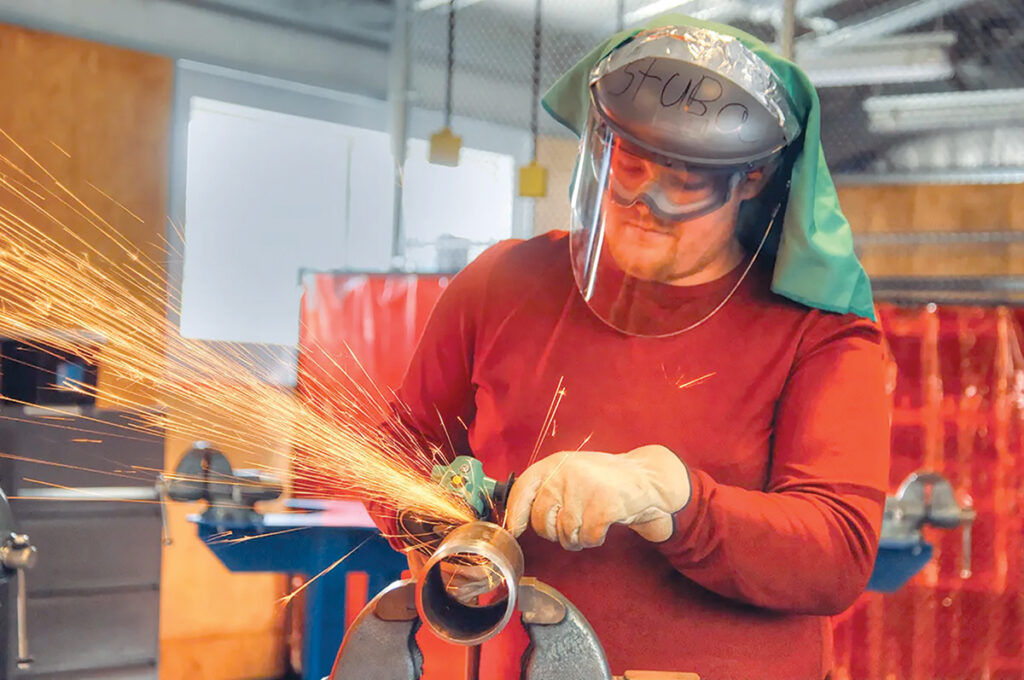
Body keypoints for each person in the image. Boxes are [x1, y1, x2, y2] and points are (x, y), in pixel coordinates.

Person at [379, 15, 889, 680]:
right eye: (630, 162)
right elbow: (399, 448)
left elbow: (837, 556)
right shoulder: (503, 283)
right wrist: (437, 528)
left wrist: (671, 499)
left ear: (754, 178)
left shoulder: (818, 331)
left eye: (683, 181)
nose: (644, 199)